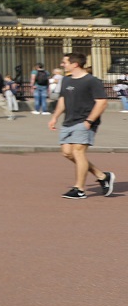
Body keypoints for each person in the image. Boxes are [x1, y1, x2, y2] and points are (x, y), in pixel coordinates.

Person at [48, 52, 114, 199]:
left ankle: (79, 189)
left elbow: (102, 102)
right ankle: (102, 175)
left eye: (64, 62)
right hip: (68, 121)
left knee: (78, 152)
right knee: (67, 153)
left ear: (75, 64)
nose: (62, 64)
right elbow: (63, 100)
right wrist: (55, 117)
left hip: (85, 121)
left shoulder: (92, 81)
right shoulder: (65, 80)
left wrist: (89, 121)